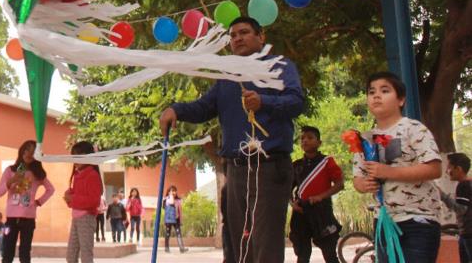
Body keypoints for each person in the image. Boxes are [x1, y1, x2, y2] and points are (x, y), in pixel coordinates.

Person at [160, 16, 304, 263]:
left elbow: (296, 102)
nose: (237, 38)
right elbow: (204, 107)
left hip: (268, 166)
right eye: (233, 35)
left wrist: (264, 101)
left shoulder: (279, 66)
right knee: (239, 244)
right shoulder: (228, 76)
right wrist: (177, 110)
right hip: (236, 170)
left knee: (265, 244)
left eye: (244, 32)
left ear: (261, 37)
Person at [352, 72, 443, 263]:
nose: (376, 95)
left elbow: (434, 169)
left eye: (385, 91)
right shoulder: (364, 139)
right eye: (371, 92)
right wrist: (364, 184)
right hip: (383, 222)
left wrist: (388, 172)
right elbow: (357, 180)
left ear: (400, 100)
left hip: (419, 220)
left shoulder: (414, 128)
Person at [0, 139, 55, 263]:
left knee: (25, 252)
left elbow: (50, 189)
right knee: (7, 252)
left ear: (36, 156)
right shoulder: (10, 170)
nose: (29, 153)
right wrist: (11, 181)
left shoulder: (37, 173)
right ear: (22, 151)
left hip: (28, 219)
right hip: (10, 219)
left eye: (33, 152)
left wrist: (39, 202)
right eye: (27, 150)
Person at [289, 126, 343, 263]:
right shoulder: (296, 165)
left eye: (310, 137)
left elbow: (339, 184)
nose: (305, 141)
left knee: (329, 254)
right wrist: (292, 203)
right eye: (302, 138)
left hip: (322, 211)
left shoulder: (327, 162)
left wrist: (321, 196)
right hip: (301, 211)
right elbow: (287, 188)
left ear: (319, 143)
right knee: (302, 254)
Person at [63, 141, 103, 263]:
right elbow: (77, 197)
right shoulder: (77, 175)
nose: (74, 160)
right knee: (71, 256)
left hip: (86, 218)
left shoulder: (92, 175)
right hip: (76, 218)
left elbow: (94, 201)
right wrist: (69, 196)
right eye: (73, 156)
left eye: (78, 156)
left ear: (88, 156)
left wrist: (73, 198)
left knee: (86, 255)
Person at [441, 153, 472, 263]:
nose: (447, 171)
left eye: (449, 167)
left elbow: (461, 209)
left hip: (469, 234)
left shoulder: (463, 185)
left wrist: (442, 196)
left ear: (458, 169)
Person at [163, 186, 187, 253]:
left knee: (179, 233)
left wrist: (181, 220)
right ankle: (166, 248)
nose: (173, 192)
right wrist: (171, 196)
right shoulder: (166, 199)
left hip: (176, 220)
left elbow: (180, 211)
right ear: (168, 192)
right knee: (167, 234)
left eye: (174, 191)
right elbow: (171, 202)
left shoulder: (179, 200)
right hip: (168, 220)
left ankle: (181, 248)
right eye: (171, 191)